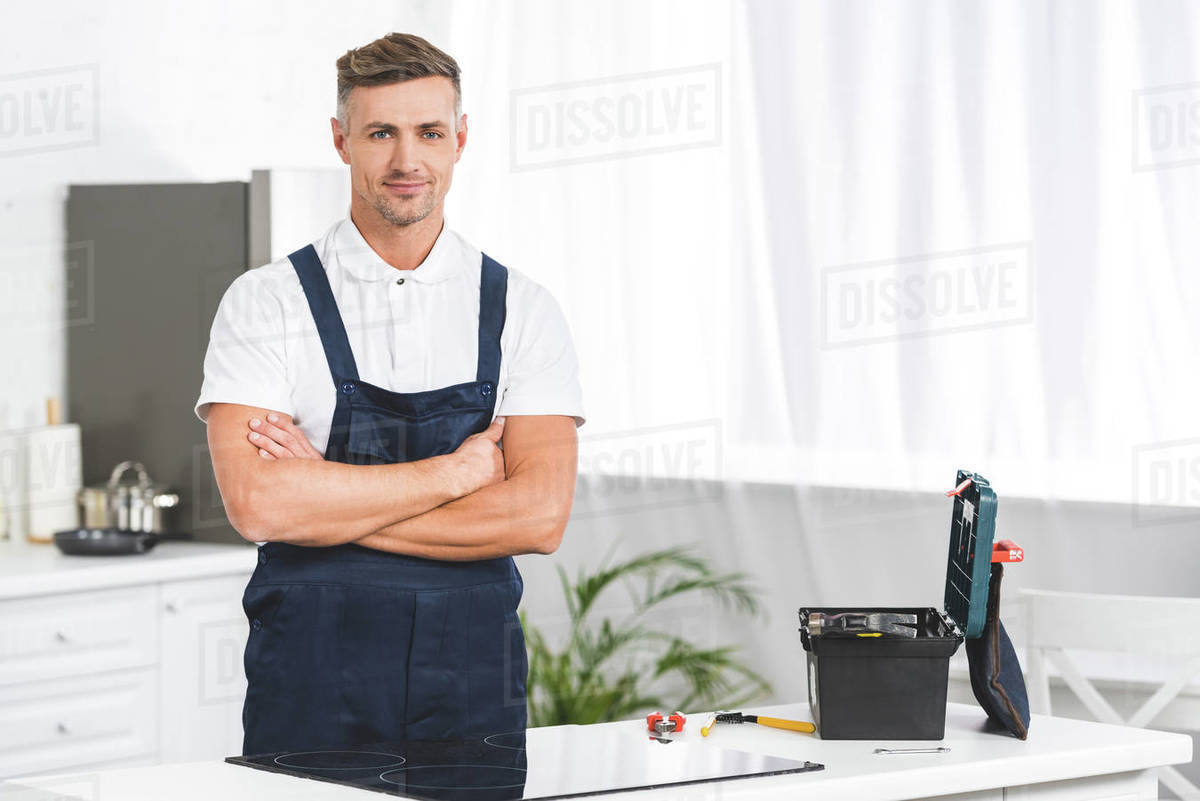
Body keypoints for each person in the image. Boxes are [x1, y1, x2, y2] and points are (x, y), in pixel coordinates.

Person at [193, 32, 584, 756]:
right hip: (309, 689)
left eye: (429, 132)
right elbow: (259, 505)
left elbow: (539, 516)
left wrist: (324, 496)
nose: (407, 161)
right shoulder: (265, 303)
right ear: (341, 141)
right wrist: (452, 475)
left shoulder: (524, 309)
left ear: (460, 140)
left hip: (474, 694)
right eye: (381, 133)